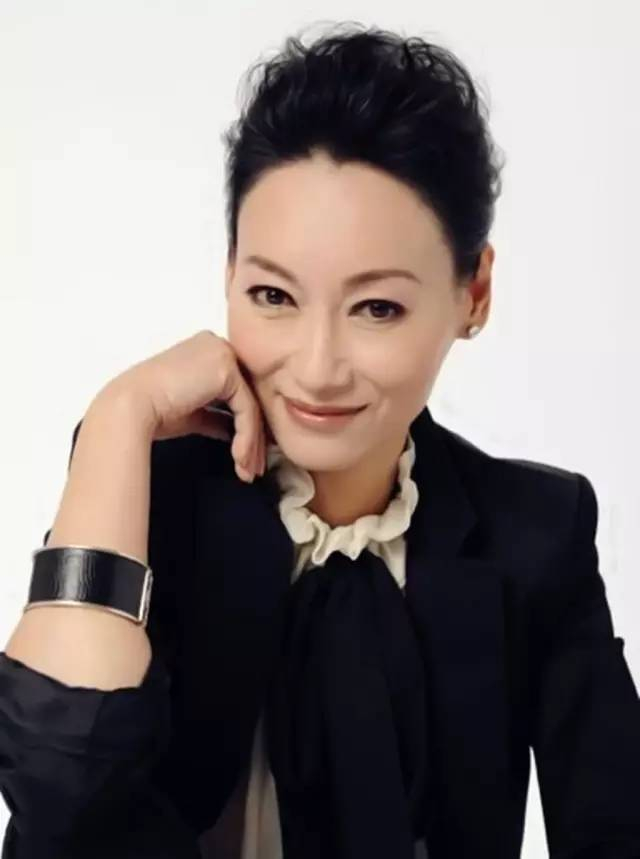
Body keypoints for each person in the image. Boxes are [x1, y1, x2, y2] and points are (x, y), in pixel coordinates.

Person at [1, 21, 639, 859]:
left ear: (474, 293)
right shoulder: (146, 491)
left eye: (377, 307)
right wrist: (118, 415)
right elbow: (58, 799)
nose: (317, 368)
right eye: (273, 295)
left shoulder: (536, 534)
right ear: (229, 271)